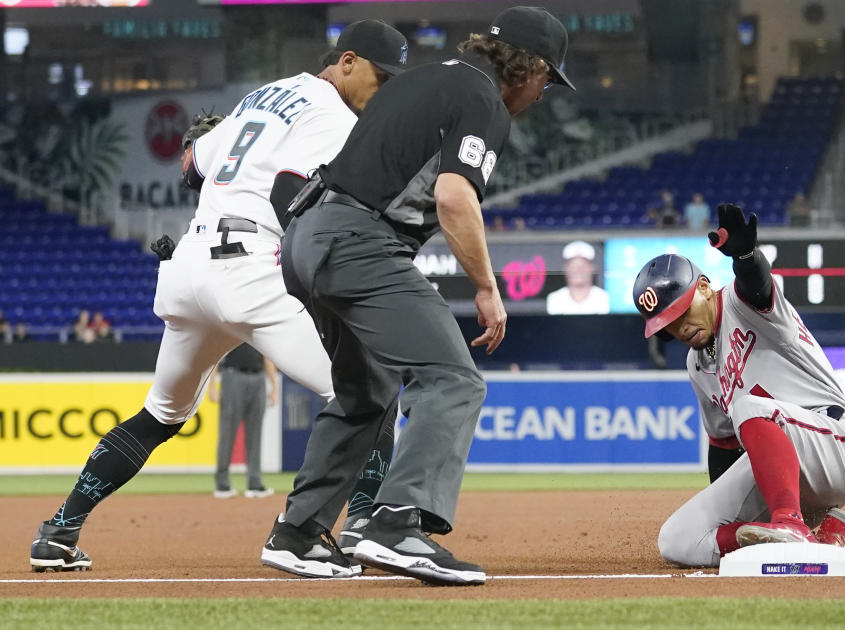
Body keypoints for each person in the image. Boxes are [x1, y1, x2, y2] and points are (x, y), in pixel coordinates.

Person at [28, 20, 409, 576]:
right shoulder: (333, 115)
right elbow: (295, 196)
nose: (385, 88)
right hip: (249, 271)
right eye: (382, 75)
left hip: (188, 270)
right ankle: (358, 527)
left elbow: (191, 164)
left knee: (159, 414)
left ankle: (58, 531)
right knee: (372, 392)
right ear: (347, 61)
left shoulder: (262, 96)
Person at [269, 5, 574, 586]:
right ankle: (394, 522)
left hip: (305, 238)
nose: (542, 94)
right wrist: (487, 288)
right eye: (546, 80)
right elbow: (455, 196)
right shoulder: (483, 100)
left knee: (366, 392)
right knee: (454, 381)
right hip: (359, 241)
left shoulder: (415, 81)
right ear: (527, 68)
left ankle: (298, 533)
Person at [632, 204, 845, 569]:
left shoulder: (740, 304)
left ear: (703, 287)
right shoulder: (696, 364)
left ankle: (790, 526)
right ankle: (831, 537)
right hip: (776, 469)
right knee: (676, 538)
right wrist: (729, 514)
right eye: (668, 325)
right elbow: (723, 446)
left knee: (747, 405)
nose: (680, 328)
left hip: (834, 448)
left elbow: (757, 285)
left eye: (682, 312)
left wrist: (747, 256)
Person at [208, 343, 278, 499]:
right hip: (233, 375)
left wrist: (274, 385)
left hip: (259, 377)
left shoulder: (258, 326)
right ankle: (222, 484)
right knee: (228, 431)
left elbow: (267, 355)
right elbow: (216, 352)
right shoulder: (231, 323)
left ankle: (254, 483)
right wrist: (212, 385)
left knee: (255, 432)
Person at [545, 240, 610, 315]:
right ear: (565, 268)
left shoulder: (604, 298)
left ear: (592, 268)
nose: (578, 270)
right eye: (573, 266)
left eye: (583, 266)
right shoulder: (555, 299)